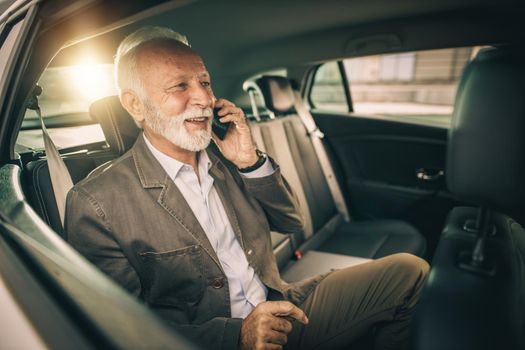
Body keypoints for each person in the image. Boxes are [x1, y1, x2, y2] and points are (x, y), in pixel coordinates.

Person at [66, 26, 429, 350]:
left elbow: (290, 222)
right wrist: (236, 336)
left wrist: (250, 162)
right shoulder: (97, 203)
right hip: (215, 340)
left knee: (408, 273)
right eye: (180, 86)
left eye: (205, 82)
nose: (204, 99)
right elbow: (122, 331)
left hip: (282, 304)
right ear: (135, 105)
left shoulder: (229, 156)